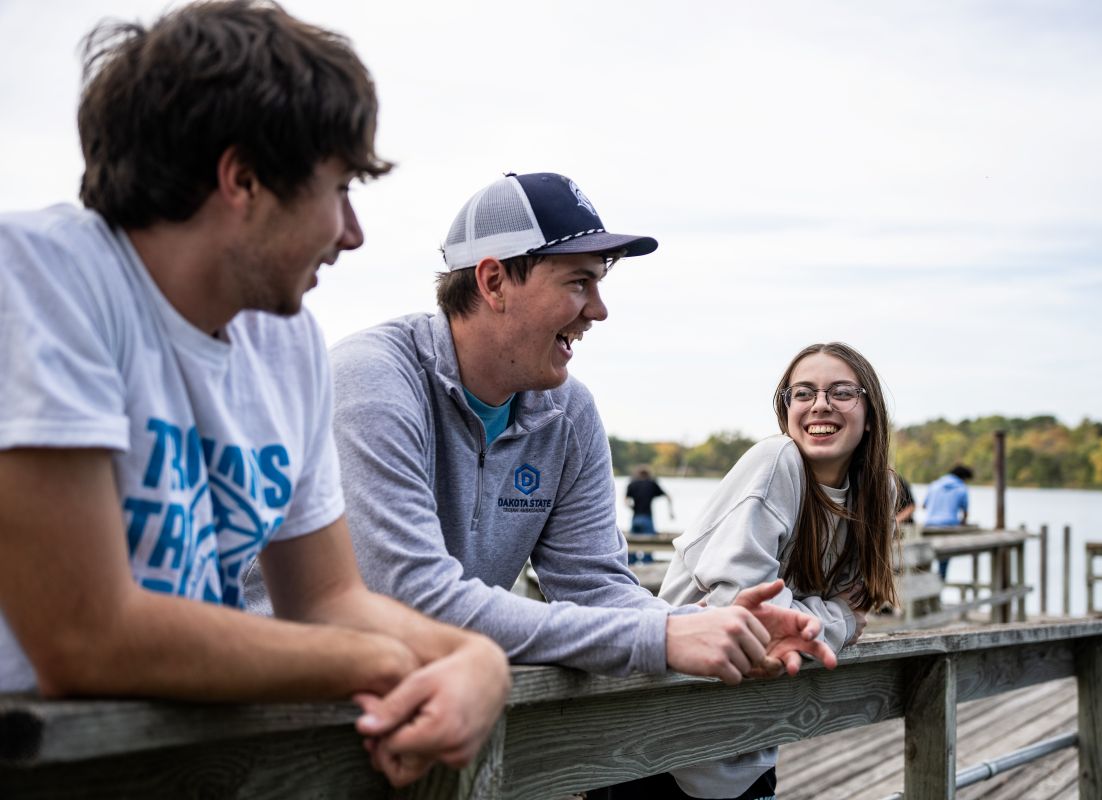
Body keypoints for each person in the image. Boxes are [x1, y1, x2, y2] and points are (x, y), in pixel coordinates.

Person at [0, 1, 508, 789]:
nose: (353, 232)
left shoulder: (287, 341)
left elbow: (330, 597)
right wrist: (386, 657)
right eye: (338, 189)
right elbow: (86, 636)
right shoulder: (35, 281)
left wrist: (475, 659)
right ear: (242, 179)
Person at [297, 171, 835, 694]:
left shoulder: (568, 411)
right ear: (493, 282)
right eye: (579, 282)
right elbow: (410, 599)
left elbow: (595, 586)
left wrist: (714, 626)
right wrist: (664, 634)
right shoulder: (373, 377)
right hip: (286, 711)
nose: (599, 311)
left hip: (437, 704)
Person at [639, 342, 899, 800]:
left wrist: (807, 619)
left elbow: (802, 621)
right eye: (802, 393)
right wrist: (836, 620)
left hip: (750, 739)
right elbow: (748, 611)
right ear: (786, 409)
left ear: (870, 410)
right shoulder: (776, 459)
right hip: (660, 733)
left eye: (841, 391)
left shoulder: (877, 495)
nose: (820, 404)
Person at [923, 464, 974, 579]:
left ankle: (926, 584)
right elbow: (965, 512)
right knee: (943, 561)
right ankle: (940, 585)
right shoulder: (961, 488)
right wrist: (963, 522)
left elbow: (924, 506)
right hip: (948, 527)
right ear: (964, 478)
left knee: (926, 559)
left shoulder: (934, 485)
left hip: (929, 526)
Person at [626, 466, 675, 534]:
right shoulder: (652, 484)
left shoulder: (632, 485)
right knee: (650, 538)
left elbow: (626, 501)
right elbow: (668, 497)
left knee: (633, 539)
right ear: (648, 475)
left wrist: (632, 508)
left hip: (636, 518)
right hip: (647, 518)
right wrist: (670, 512)